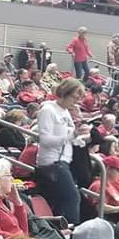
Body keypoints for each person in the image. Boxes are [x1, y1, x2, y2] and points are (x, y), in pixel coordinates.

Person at [35, 77, 87, 224]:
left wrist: (82, 136)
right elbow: (45, 140)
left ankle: (62, 229)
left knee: (61, 202)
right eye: (74, 97)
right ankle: (71, 230)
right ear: (65, 92)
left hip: (64, 161)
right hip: (52, 162)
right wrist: (72, 135)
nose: (75, 102)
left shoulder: (65, 112)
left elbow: (70, 137)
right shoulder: (48, 110)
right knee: (73, 197)